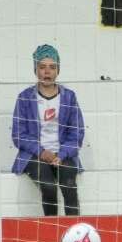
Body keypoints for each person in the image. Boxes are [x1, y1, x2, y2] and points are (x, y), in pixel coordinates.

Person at [11, 43, 84, 216]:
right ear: (35, 70)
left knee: (69, 185)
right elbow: (18, 135)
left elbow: (77, 133)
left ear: (58, 70)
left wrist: (62, 154)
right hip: (34, 155)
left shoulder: (69, 97)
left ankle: (74, 229)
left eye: (52, 67)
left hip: (62, 154)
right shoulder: (25, 98)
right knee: (49, 187)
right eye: (42, 67)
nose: (47, 72)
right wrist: (42, 152)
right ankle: (51, 229)